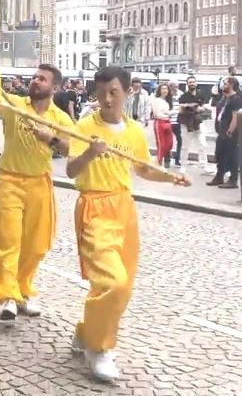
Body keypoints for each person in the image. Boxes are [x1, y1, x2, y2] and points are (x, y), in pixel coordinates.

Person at [66, 66, 189, 382]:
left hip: (124, 210)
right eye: (101, 93)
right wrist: (90, 153)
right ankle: (99, 348)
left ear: (127, 92)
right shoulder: (85, 126)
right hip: (94, 208)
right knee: (113, 282)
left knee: (121, 287)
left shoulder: (134, 131)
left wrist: (171, 177)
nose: (107, 100)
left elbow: (144, 168)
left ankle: (87, 332)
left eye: (114, 92)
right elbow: (71, 170)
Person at [0, 65, 73, 323]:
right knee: (7, 239)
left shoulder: (60, 118)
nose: (35, 81)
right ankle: (8, 296)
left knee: (36, 244)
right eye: (34, 77)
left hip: (40, 183)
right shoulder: (14, 104)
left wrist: (51, 139)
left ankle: (22, 290)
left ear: (54, 88)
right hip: (9, 180)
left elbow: (71, 149)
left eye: (42, 79)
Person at [207, 76, 242, 188]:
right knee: (219, 153)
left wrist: (230, 130)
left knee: (232, 155)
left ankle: (233, 180)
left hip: (229, 131)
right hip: (221, 130)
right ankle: (219, 176)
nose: (223, 85)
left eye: (226, 83)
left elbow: (235, 116)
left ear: (231, 84)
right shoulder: (225, 98)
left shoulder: (236, 99)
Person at [178, 76, 208, 169]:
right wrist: (188, 107)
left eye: (193, 82)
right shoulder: (183, 96)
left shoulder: (201, 94)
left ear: (196, 83)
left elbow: (204, 107)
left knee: (202, 145)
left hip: (198, 123)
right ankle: (183, 166)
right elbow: (180, 110)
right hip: (186, 123)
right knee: (185, 146)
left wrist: (200, 109)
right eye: (190, 82)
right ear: (187, 84)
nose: (192, 84)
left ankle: (204, 166)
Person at [151, 83, 173, 167]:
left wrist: (168, 114)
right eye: (163, 89)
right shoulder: (156, 100)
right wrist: (169, 114)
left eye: (166, 89)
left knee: (169, 143)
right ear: (159, 90)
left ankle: (163, 160)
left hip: (167, 122)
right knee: (161, 144)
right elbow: (157, 114)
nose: (165, 91)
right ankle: (159, 163)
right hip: (159, 122)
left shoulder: (167, 102)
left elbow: (167, 112)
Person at [167, 80, 184, 168]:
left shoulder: (181, 94)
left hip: (178, 121)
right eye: (173, 86)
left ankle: (177, 159)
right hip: (168, 121)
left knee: (180, 140)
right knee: (168, 141)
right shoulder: (166, 95)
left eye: (176, 86)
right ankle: (167, 159)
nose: (175, 88)